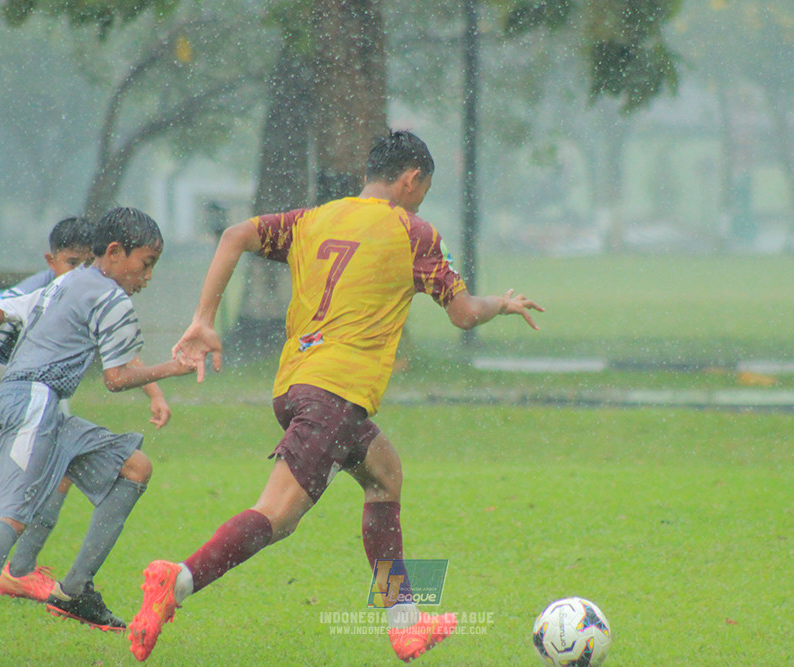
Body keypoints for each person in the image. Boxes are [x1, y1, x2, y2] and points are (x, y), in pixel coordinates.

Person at [127, 130, 544, 663]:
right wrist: (500, 305)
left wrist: (203, 319)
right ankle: (177, 581)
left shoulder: (314, 219)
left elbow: (234, 235)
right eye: (423, 189)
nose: (421, 200)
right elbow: (463, 314)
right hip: (335, 394)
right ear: (411, 179)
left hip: (298, 385)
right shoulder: (413, 232)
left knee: (385, 475)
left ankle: (406, 624)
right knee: (277, 517)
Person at [0, 207, 193, 667]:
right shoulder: (112, 299)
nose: (148, 277)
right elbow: (117, 378)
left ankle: (75, 590)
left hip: (36, 404)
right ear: (116, 253)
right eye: (146, 264)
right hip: (33, 405)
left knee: (135, 467)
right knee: (9, 517)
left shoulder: (65, 281)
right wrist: (177, 367)